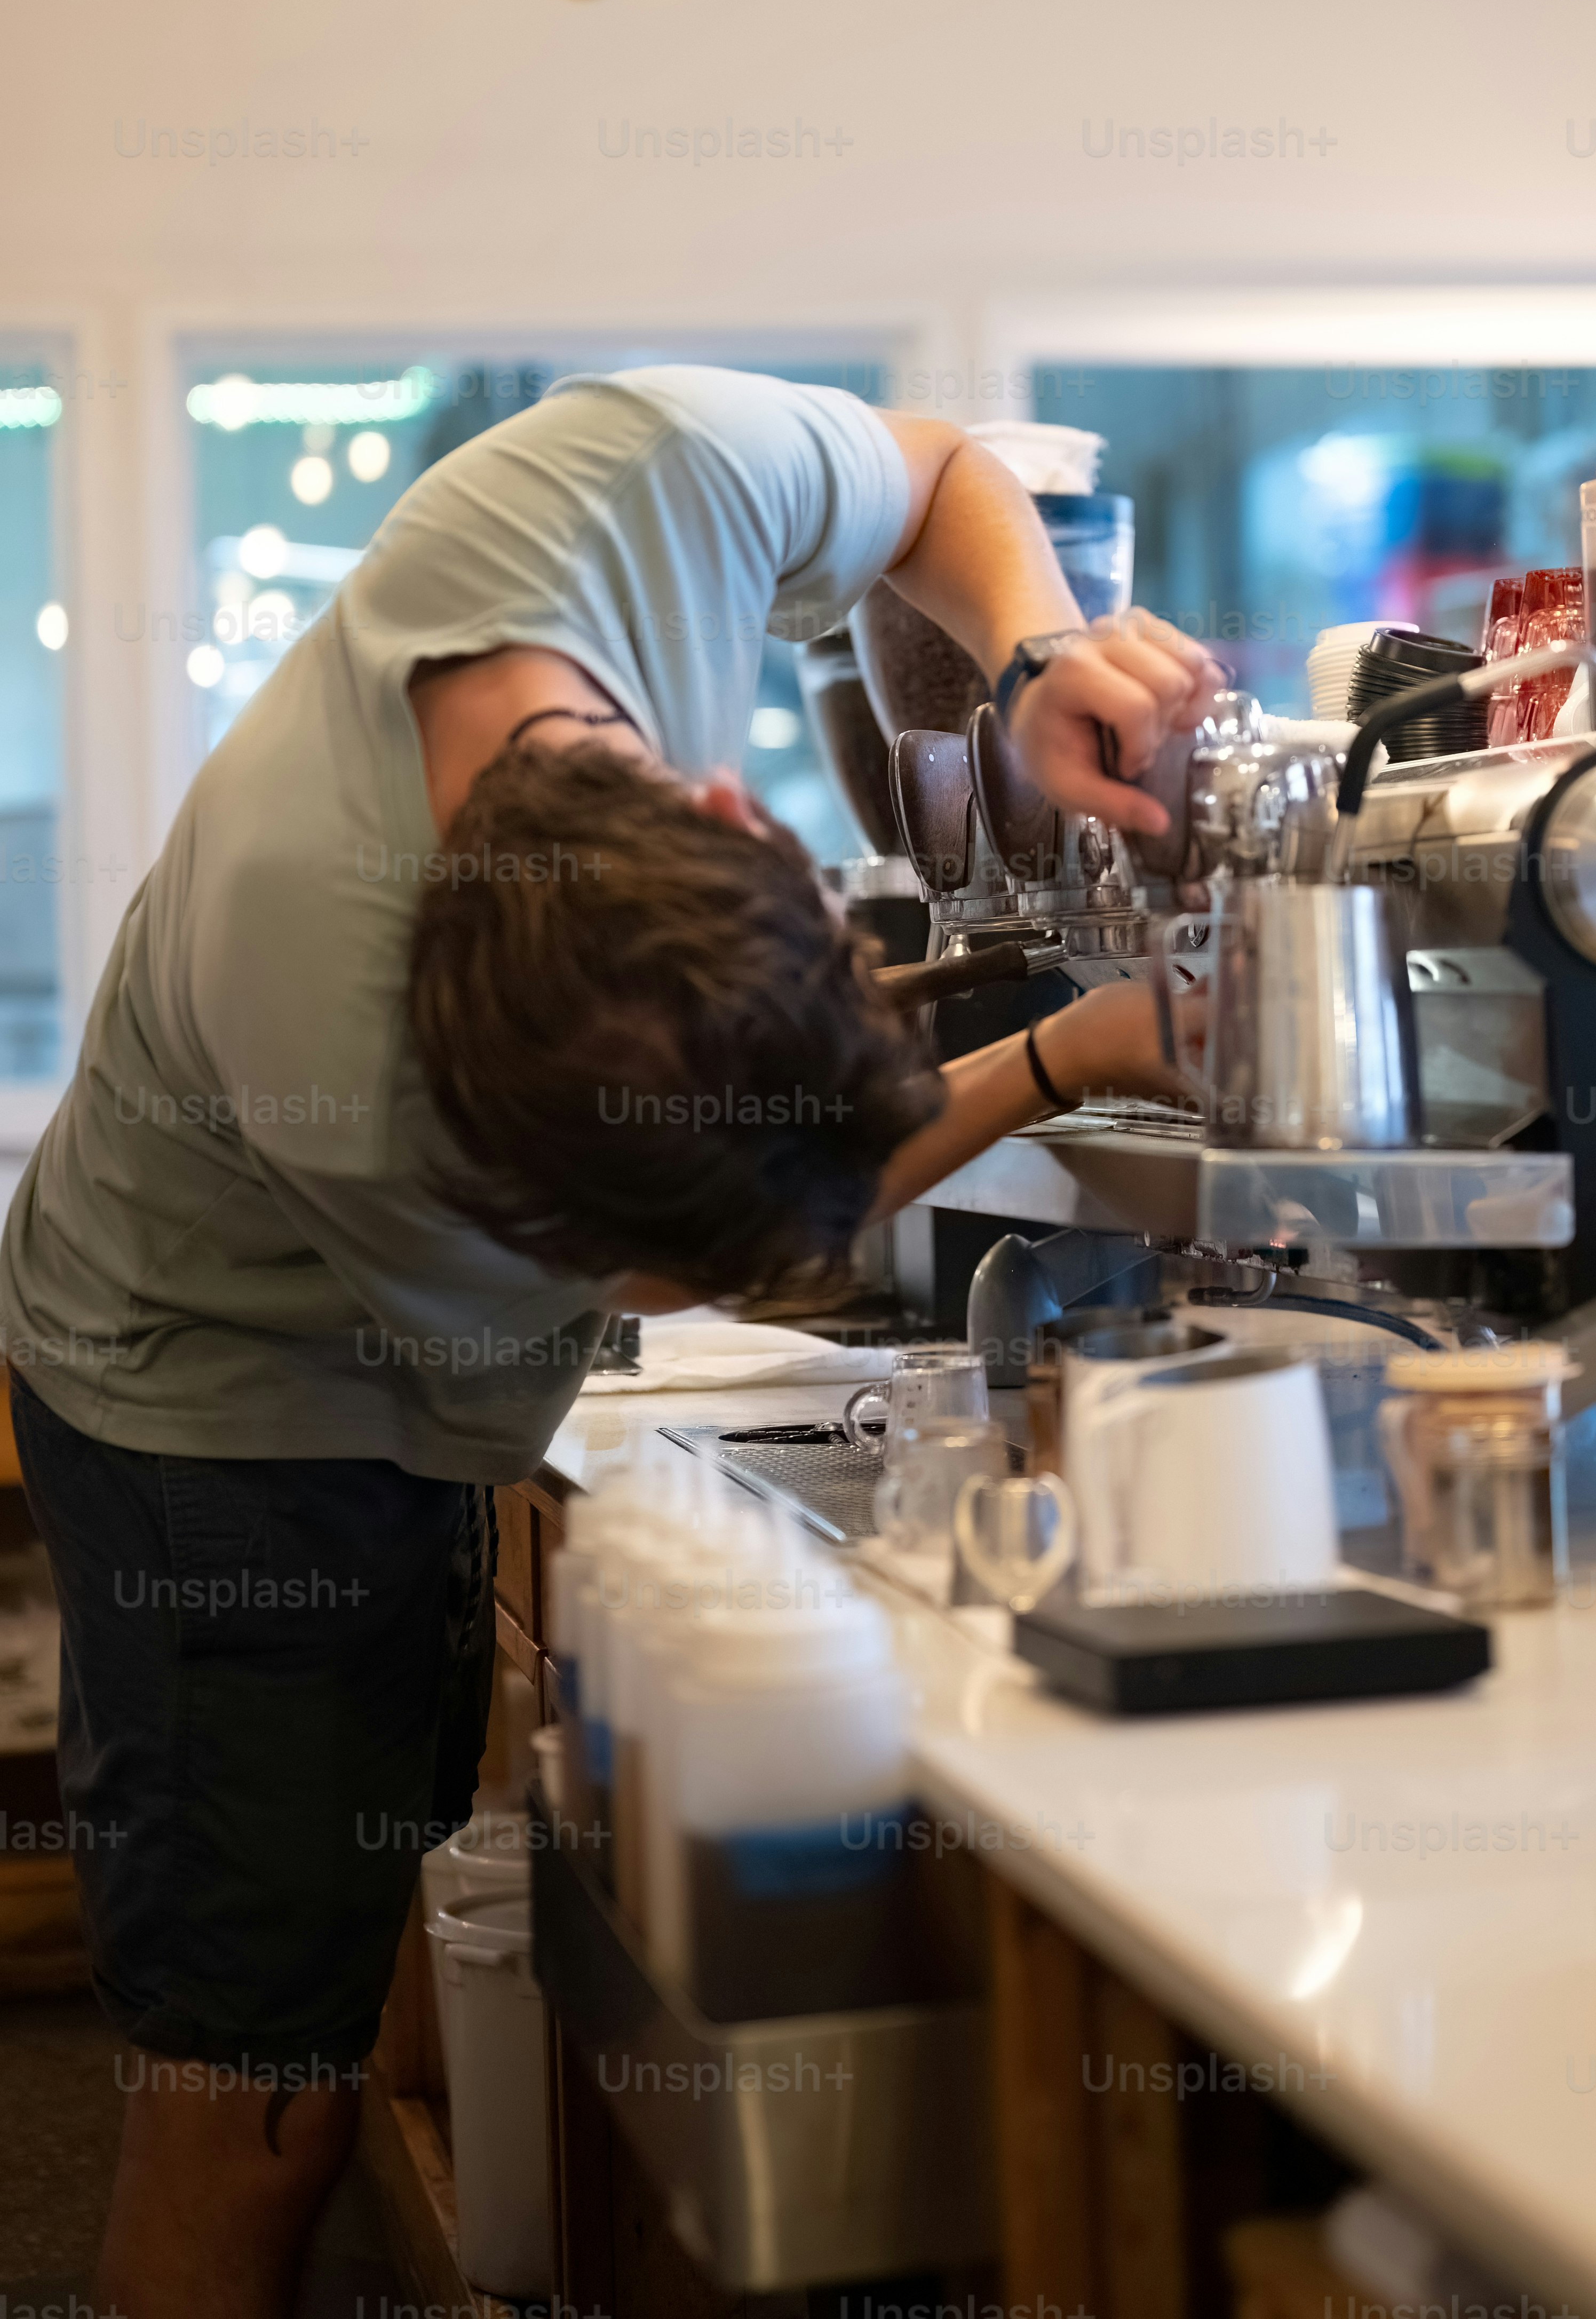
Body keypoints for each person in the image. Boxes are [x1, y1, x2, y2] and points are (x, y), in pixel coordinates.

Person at [0, 367, 1216, 2319]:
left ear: (721, 805)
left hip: (368, 1343)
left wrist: (1034, 659)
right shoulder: (360, 1084)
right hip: (209, 1394)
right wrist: (1062, 1056)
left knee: (329, 1957)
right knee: (256, 2081)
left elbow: (938, 473)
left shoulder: (632, 479)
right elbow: (669, 1269)